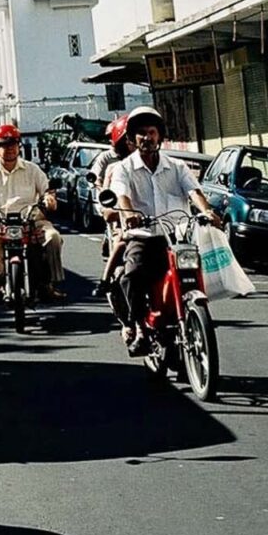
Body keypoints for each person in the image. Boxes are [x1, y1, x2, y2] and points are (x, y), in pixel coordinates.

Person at [103, 105, 218, 351]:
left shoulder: (177, 166)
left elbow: (193, 191)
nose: (147, 137)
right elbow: (121, 194)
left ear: (160, 135)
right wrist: (130, 213)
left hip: (177, 237)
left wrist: (206, 211)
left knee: (197, 272)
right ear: (133, 138)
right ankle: (141, 329)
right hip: (144, 237)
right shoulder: (123, 168)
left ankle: (191, 313)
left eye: (152, 132)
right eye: (141, 133)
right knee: (132, 274)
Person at [0, 123, 65, 301]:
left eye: (13, 144)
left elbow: (46, 190)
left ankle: (49, 283)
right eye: (4, 145)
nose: (9, 149)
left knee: (53, 238)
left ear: (19, 146)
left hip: (31, 219)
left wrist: (49, 198)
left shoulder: (33, 169)